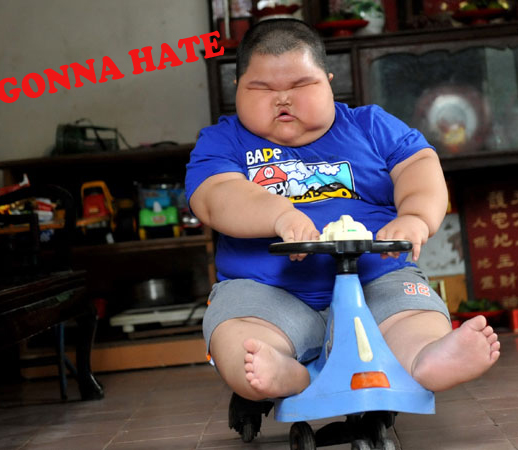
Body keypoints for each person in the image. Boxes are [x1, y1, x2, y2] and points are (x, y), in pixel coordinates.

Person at [185, 18, 500, 402]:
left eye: (301, 85)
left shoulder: (370, 125)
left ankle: (426, 357)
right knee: (237, 334)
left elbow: (419, 166)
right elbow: (215, 195)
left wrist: (416, 216)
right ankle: (280, 371)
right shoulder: (222, 140)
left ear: (328, 81)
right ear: (237, 87)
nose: (282, 99)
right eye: (262, 88)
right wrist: (280, 215)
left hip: (376, 278)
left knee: (411, 316)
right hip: (266, 291)